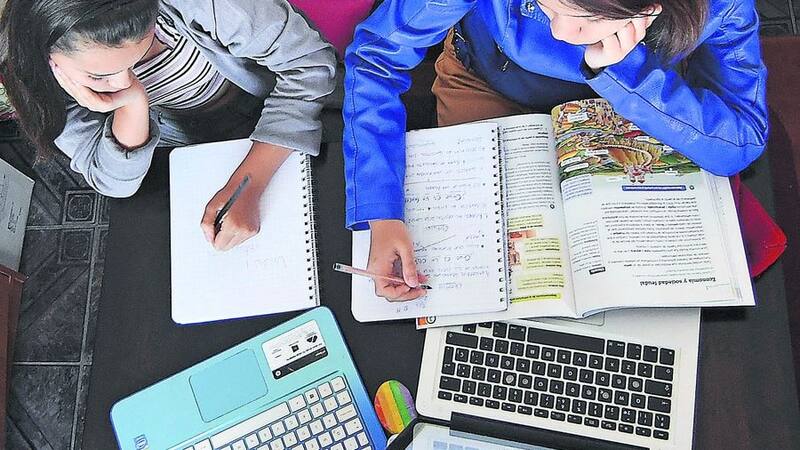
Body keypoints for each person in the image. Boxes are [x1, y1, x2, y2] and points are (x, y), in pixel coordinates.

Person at [343, 0, 768, 301]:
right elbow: (377, 57)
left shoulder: (721, 6)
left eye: (587, 17)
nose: (561, 33)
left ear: (649, 10)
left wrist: (622, 71)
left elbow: (740, 140)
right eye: (543, 5)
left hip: (633, 97)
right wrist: (381, 209)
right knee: (490, 280)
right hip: (490, 81)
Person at [1, 0, 336, 251]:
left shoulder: (201, 6)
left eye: (144, 49)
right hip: (180, 148)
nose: (122, 82)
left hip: (269, 101)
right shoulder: (38, 80)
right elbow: (113, 182)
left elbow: (310, 65)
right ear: (49, 58)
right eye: (100, 76)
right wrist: (132, 104)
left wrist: (250, 182)